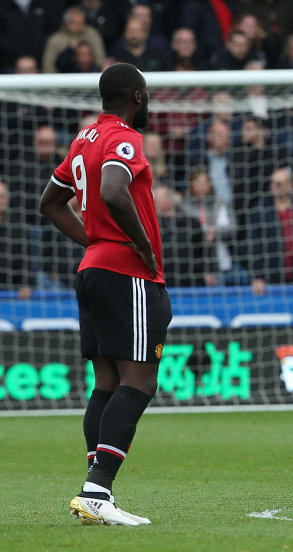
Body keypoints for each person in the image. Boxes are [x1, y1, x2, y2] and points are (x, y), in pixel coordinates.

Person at [38, 63, 171, 525]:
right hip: (126, 274)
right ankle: (97, 490)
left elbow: (50, 203)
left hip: (93, 269)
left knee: (106, 384)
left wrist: (94, 242)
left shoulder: (82, 139)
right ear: (136, 95)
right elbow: (115, 190)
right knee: (139, 382)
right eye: (147, 93)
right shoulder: (125, 137)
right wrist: (137, 243)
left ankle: (93, 490)